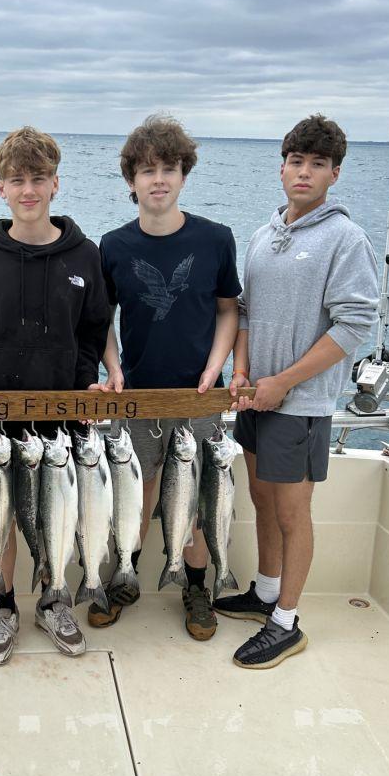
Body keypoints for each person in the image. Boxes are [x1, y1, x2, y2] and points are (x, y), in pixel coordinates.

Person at [223, 114, 379, 668]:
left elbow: (355, 325)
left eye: (317, 164)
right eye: (296, 161)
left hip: (300, 404)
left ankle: (287, 621)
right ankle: (265, 592)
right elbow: (245, 313)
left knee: (293, 512)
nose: (304, 173)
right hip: (253, 399)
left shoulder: (346, 238)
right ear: (282, 166)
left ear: (335, 174)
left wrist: (284, 383)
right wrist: (241, 374)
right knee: (262, 500)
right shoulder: (265, 236)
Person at [0, 126, 111, 664]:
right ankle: (4, 602)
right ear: (0, 188)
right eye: (16, 180)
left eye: (38, 178)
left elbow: (94, 330)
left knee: (55, 513)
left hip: (66, 416)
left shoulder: (85, 257)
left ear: (55, 184)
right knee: (6, 515)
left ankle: (54, 598)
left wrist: (89, 380)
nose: (28, 190)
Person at [94, 115, 243, 638]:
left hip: (201, 397)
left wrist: (213, 368)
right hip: (136, 397)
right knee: (134, 495)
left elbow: (229, 310)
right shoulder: (111, 246)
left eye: (170, 169)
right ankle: (125, 575)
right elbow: (101, 320)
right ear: (131, 180)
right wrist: (113, 369)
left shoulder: (216, 239)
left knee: (199, 500)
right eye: (148, 170)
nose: (159, 179)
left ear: (184, 175)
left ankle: (196, 585)